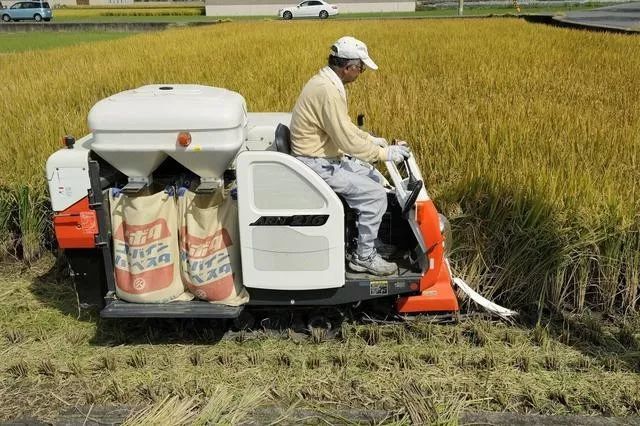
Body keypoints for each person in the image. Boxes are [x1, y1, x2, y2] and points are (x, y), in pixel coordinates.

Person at [289, 36, 410, 276]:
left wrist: (370, 140)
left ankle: (368, 241)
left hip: (324, 157)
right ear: (348, 67)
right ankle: (363, 257)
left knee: (374, 178)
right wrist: (383, 153)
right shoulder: (327, 91)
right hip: (316, 163)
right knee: (375, 196)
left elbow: (342, 126)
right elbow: (344, 139)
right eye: (361, 68)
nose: (361, 72)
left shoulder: (328, 83)